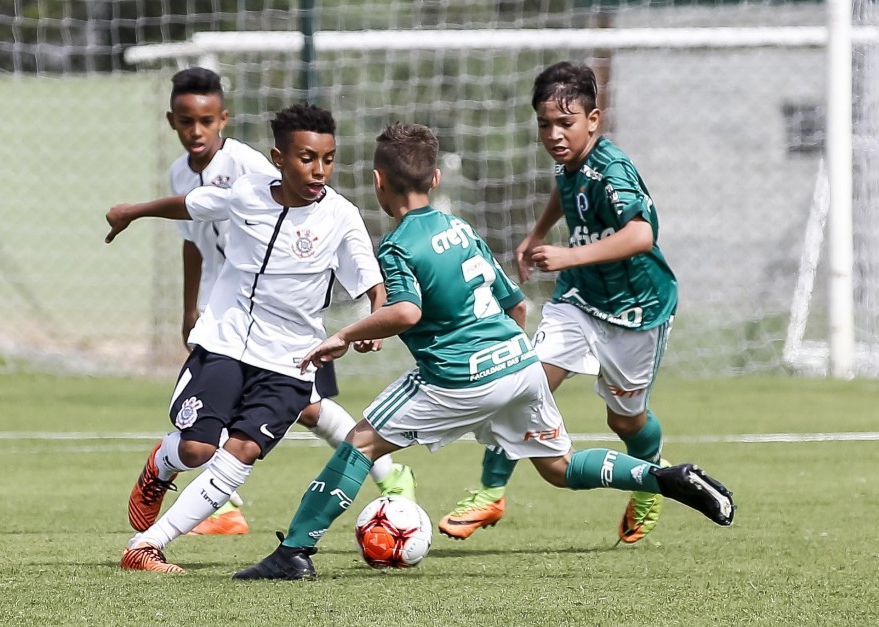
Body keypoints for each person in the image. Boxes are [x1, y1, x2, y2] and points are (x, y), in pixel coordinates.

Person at [232, 123, 735, 581]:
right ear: (433, 178)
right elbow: (515, 306)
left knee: (360, 443)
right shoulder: (462, 229)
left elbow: (405, 312)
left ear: (378, 181)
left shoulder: (398, 244)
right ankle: (663, 476)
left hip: (456, 376)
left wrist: (344, 334)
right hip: (519, 365)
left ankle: (294, 552)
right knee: (560, 468)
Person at [106, 103, 408, 574]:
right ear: (279, 157)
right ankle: (161, 465)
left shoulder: (341, 217)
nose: (319, 170)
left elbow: (372, 281)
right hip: (224, 341)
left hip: (291, 360)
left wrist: (375, 319)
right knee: (195, 450)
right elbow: (191, 205)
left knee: (241, 451)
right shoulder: (245, 192)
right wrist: (133, 211)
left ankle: (146, 546)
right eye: (307, 158)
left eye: (328, 159)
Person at [438, 61, 681, 545]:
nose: (553, 134)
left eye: (564, 123)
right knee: (520, 383)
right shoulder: (569, 159)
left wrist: (569, 252)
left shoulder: (612, 167)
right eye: (544, 124)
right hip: (579, 299)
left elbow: (641, 233)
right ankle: (490, 494)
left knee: (624, 419)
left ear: (594, 120)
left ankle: (652, 478)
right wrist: (537, 232)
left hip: (636, 310)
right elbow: (565, 187)